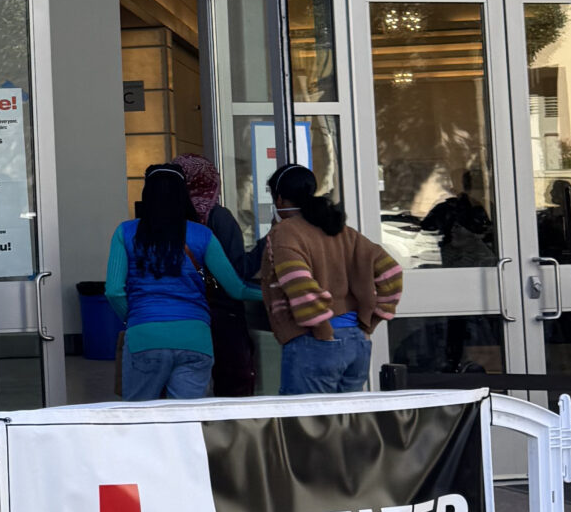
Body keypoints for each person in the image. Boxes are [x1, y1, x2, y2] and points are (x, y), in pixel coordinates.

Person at [104, 164, 263, 401]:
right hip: (195, 338)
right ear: (183, 195)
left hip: (144, 336)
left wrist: (136, 319)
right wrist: (275, 295)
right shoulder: (202, 235)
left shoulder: (125, 232)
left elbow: (114, 291)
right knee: (187, 421)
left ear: (147, 194)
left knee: (139, 419)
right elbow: (236, 289)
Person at [263, 165, 405, 395]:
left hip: (314, 343)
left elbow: (298, 283)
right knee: (346, 425)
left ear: (279, 199)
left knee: (307, 426)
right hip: (356, 343)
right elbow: (392, 272)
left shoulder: (285, 232)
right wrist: (369, 324)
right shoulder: (341, 230)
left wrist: (322, 331)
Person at [170, 153, 263, 395]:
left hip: (180, 318)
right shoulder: (218, 217)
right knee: (232, 390)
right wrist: (267, 245)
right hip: (222, 315)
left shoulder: (160, 221)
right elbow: (237, 271)